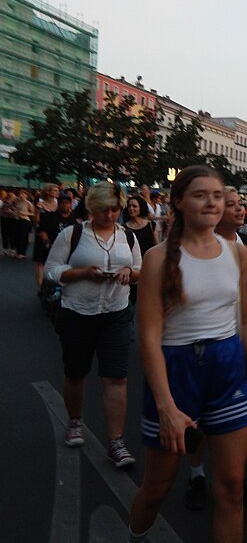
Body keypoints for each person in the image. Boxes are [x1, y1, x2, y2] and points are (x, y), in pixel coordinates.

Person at [128, 166, 247, 543]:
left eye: (218, 195)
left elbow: (244, 322)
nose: (212, 202)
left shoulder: (238, 253)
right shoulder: (158, 258)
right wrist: (166, 406)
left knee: (232, 487)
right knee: (157, 487)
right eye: (201, 195)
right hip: (178, 370)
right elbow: (150, 337)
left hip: (227, 367)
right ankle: (135, 535)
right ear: (178, 203)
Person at [44, 182, 141, 467]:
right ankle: (75, 421)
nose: (110, 215)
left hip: (116, 312)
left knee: (117, 377)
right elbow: (51, 270)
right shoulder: (72, 234)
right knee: (76, 373)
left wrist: (128, 272)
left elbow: (141, 268)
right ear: (91, 209)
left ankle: (116, 442)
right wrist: (82, 273)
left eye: (115, 209)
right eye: (103, 210)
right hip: (78, 312)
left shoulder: (129, 238)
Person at [184, 185, 247, 511]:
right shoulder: (198, 249)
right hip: (204, 343)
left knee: (237, 415)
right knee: (199, 416)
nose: (238, 210)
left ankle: (233, 476)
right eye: (230, 205)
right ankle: (196, 474)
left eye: (239, 205)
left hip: (239, 335)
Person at [33, 183, 61, 290]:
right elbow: (36, 221)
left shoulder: (59, 205)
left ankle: (54, 284)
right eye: (55, 190)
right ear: (48, 192)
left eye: (57, 190)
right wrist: (37, 211)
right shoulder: (41, 205)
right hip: (42, 234)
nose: (57, 192)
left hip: (55, 234)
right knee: (41, 261)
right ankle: (40, 287)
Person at [11, 189, 35, 259]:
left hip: (25, 221)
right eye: (20, 194)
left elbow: (33, 213)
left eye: (23, 194)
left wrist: (25, 213)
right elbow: (13, 209)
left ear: (26, 195)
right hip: (16, 220)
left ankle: (22, 252)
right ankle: (17, 251)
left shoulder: (28, 203)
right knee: (16, 236)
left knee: (23, 237)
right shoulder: (16, 202)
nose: (21, 195)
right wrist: (12, 211)